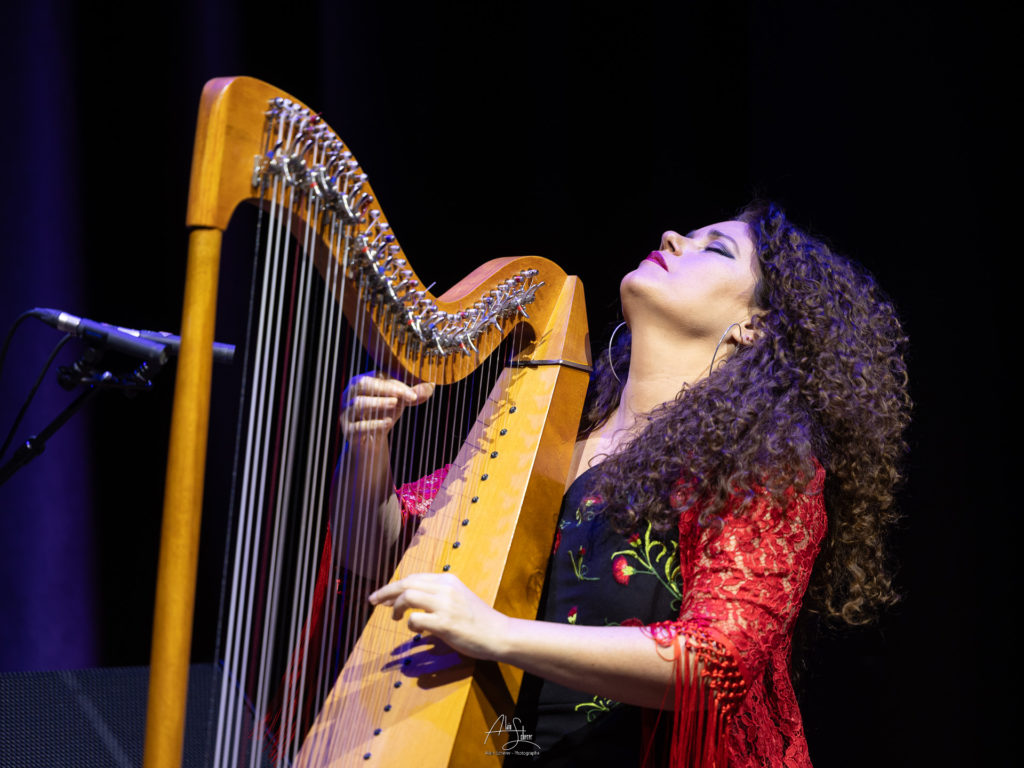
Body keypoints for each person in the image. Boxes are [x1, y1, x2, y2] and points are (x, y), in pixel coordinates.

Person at [341, 202, 911, 767]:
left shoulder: (760, 467)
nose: (671, 237)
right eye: (687, 233)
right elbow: (375, 553)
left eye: (714, 247)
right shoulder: (557, 432)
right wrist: (368, 443)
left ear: (753, 327)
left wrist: (494, 633)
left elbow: (716, 663)